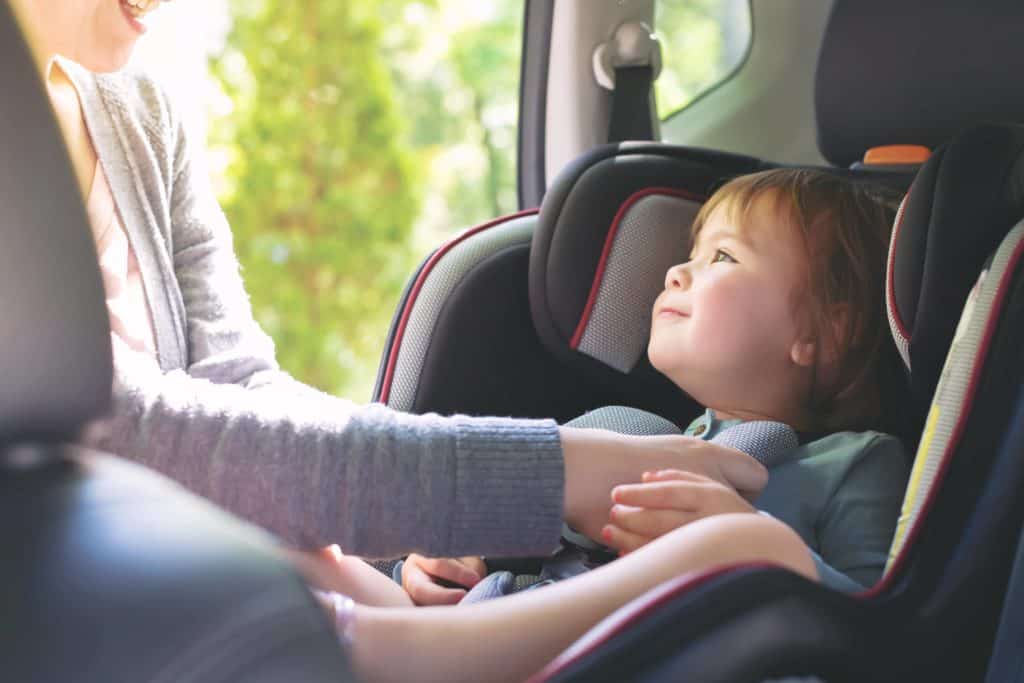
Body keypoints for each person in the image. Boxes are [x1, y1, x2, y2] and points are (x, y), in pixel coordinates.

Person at [9, 0, 765, 562]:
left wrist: (412, 537)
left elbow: (238, 385)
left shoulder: (141, 116)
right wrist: (555, 469)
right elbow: (127, 432)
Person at [301, 168, 911, 682]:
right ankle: (348, 631)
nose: (676, 272)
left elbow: (869, 634)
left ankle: (378, 648)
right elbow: (498, 556)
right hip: (485, 627)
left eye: (722, 256)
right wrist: (430, 566)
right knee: (299, 555)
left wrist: (746, 548)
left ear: (825, 332)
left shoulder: (854, 463)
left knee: (752, 548)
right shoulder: (618, 435)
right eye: (688, 254)